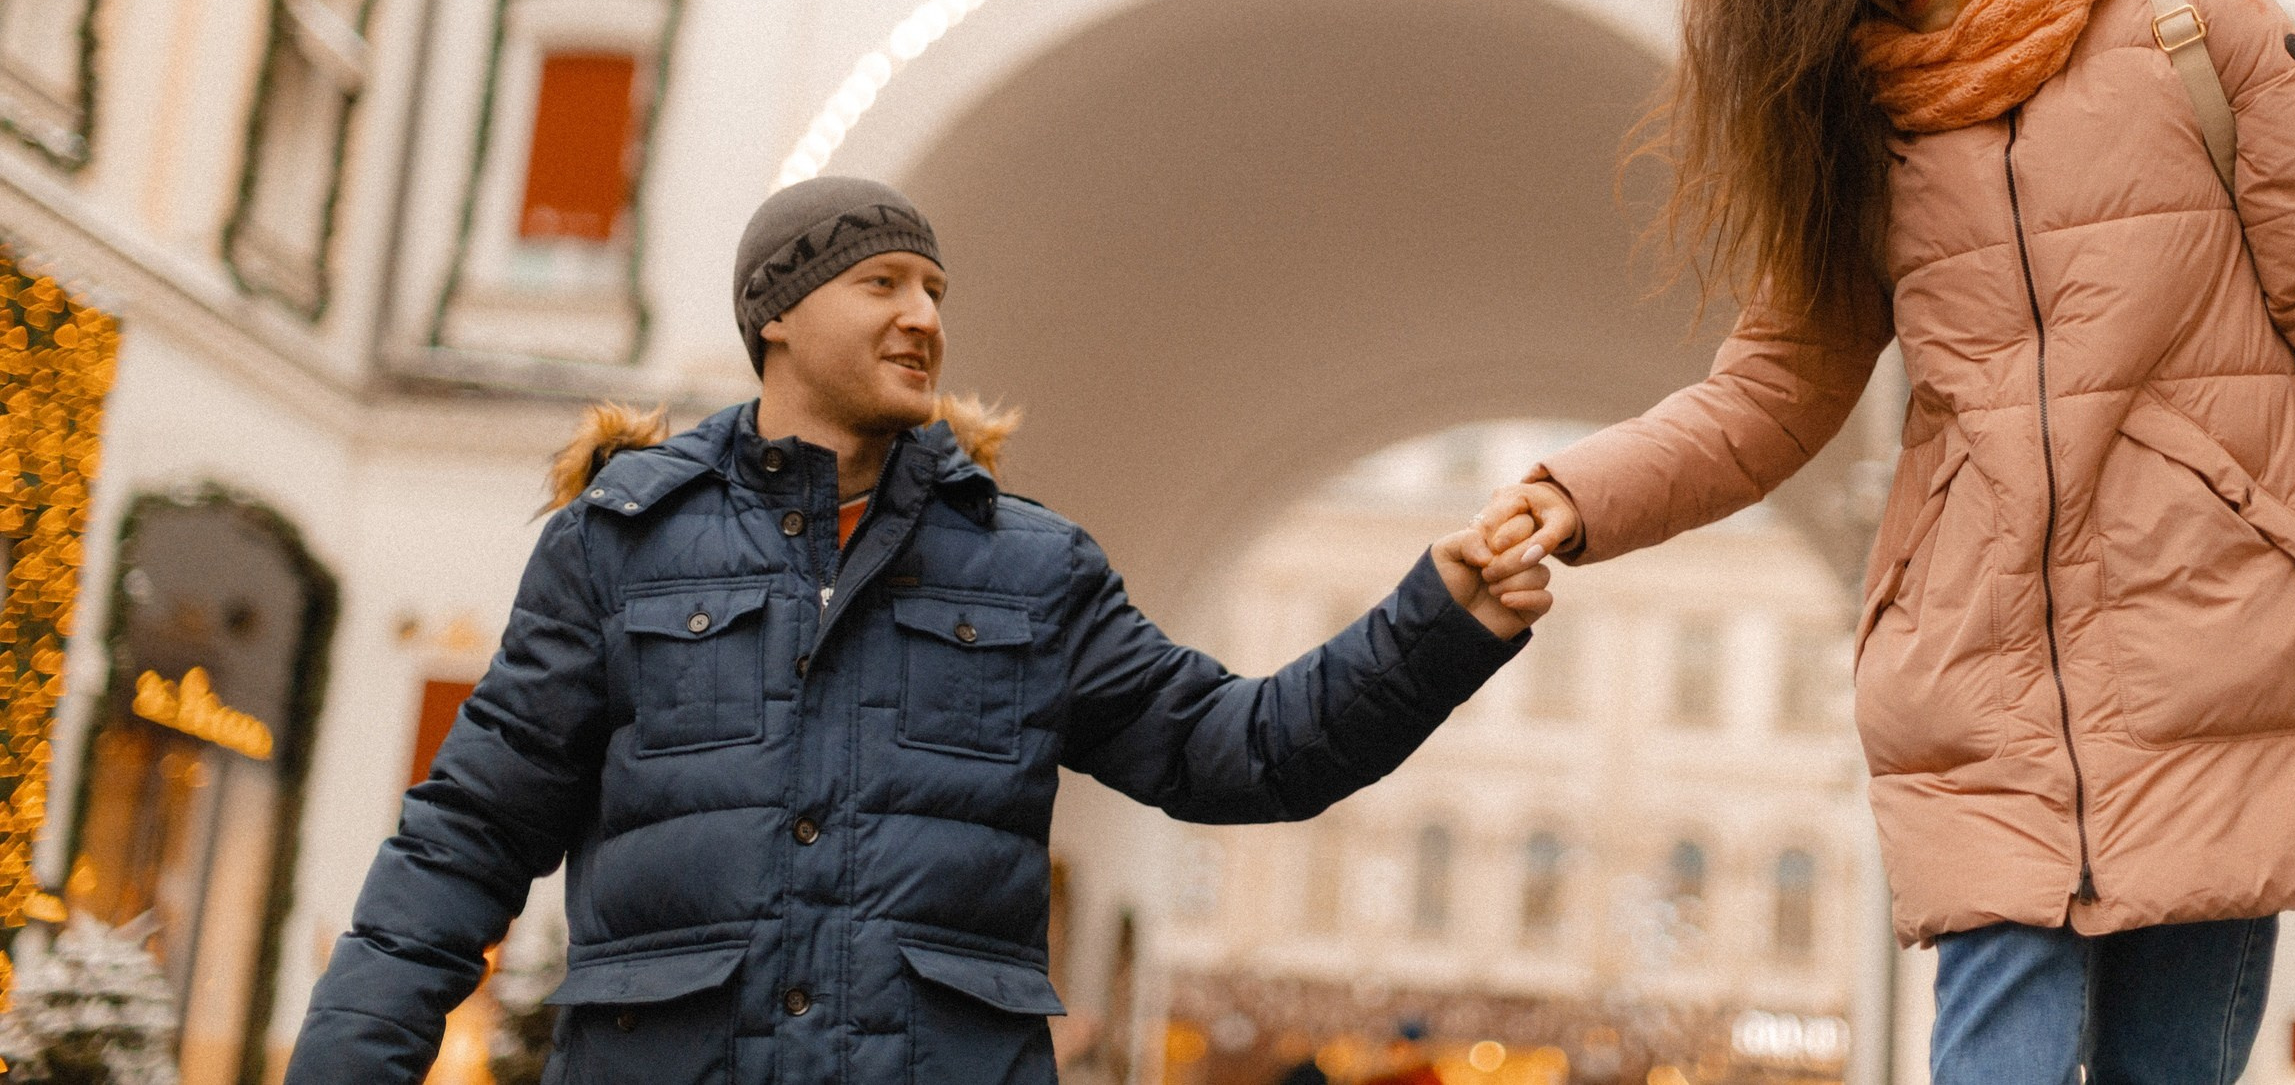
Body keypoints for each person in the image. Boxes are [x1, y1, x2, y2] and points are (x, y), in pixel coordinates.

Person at [1466, 0, 2295, 1083]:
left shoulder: (2197, 25)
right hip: (1980, 676)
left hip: (2211, 645)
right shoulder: (1868, 135)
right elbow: (1774, 386)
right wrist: (1579, 491)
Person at [288, 177, 1551, 1085]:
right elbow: (464, 842)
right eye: (882, 281)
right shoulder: (617, 547)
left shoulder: (1031, 566)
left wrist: (1439, 622)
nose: (924, 316)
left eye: (936, 289)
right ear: (776, 314)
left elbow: (1247, 750)